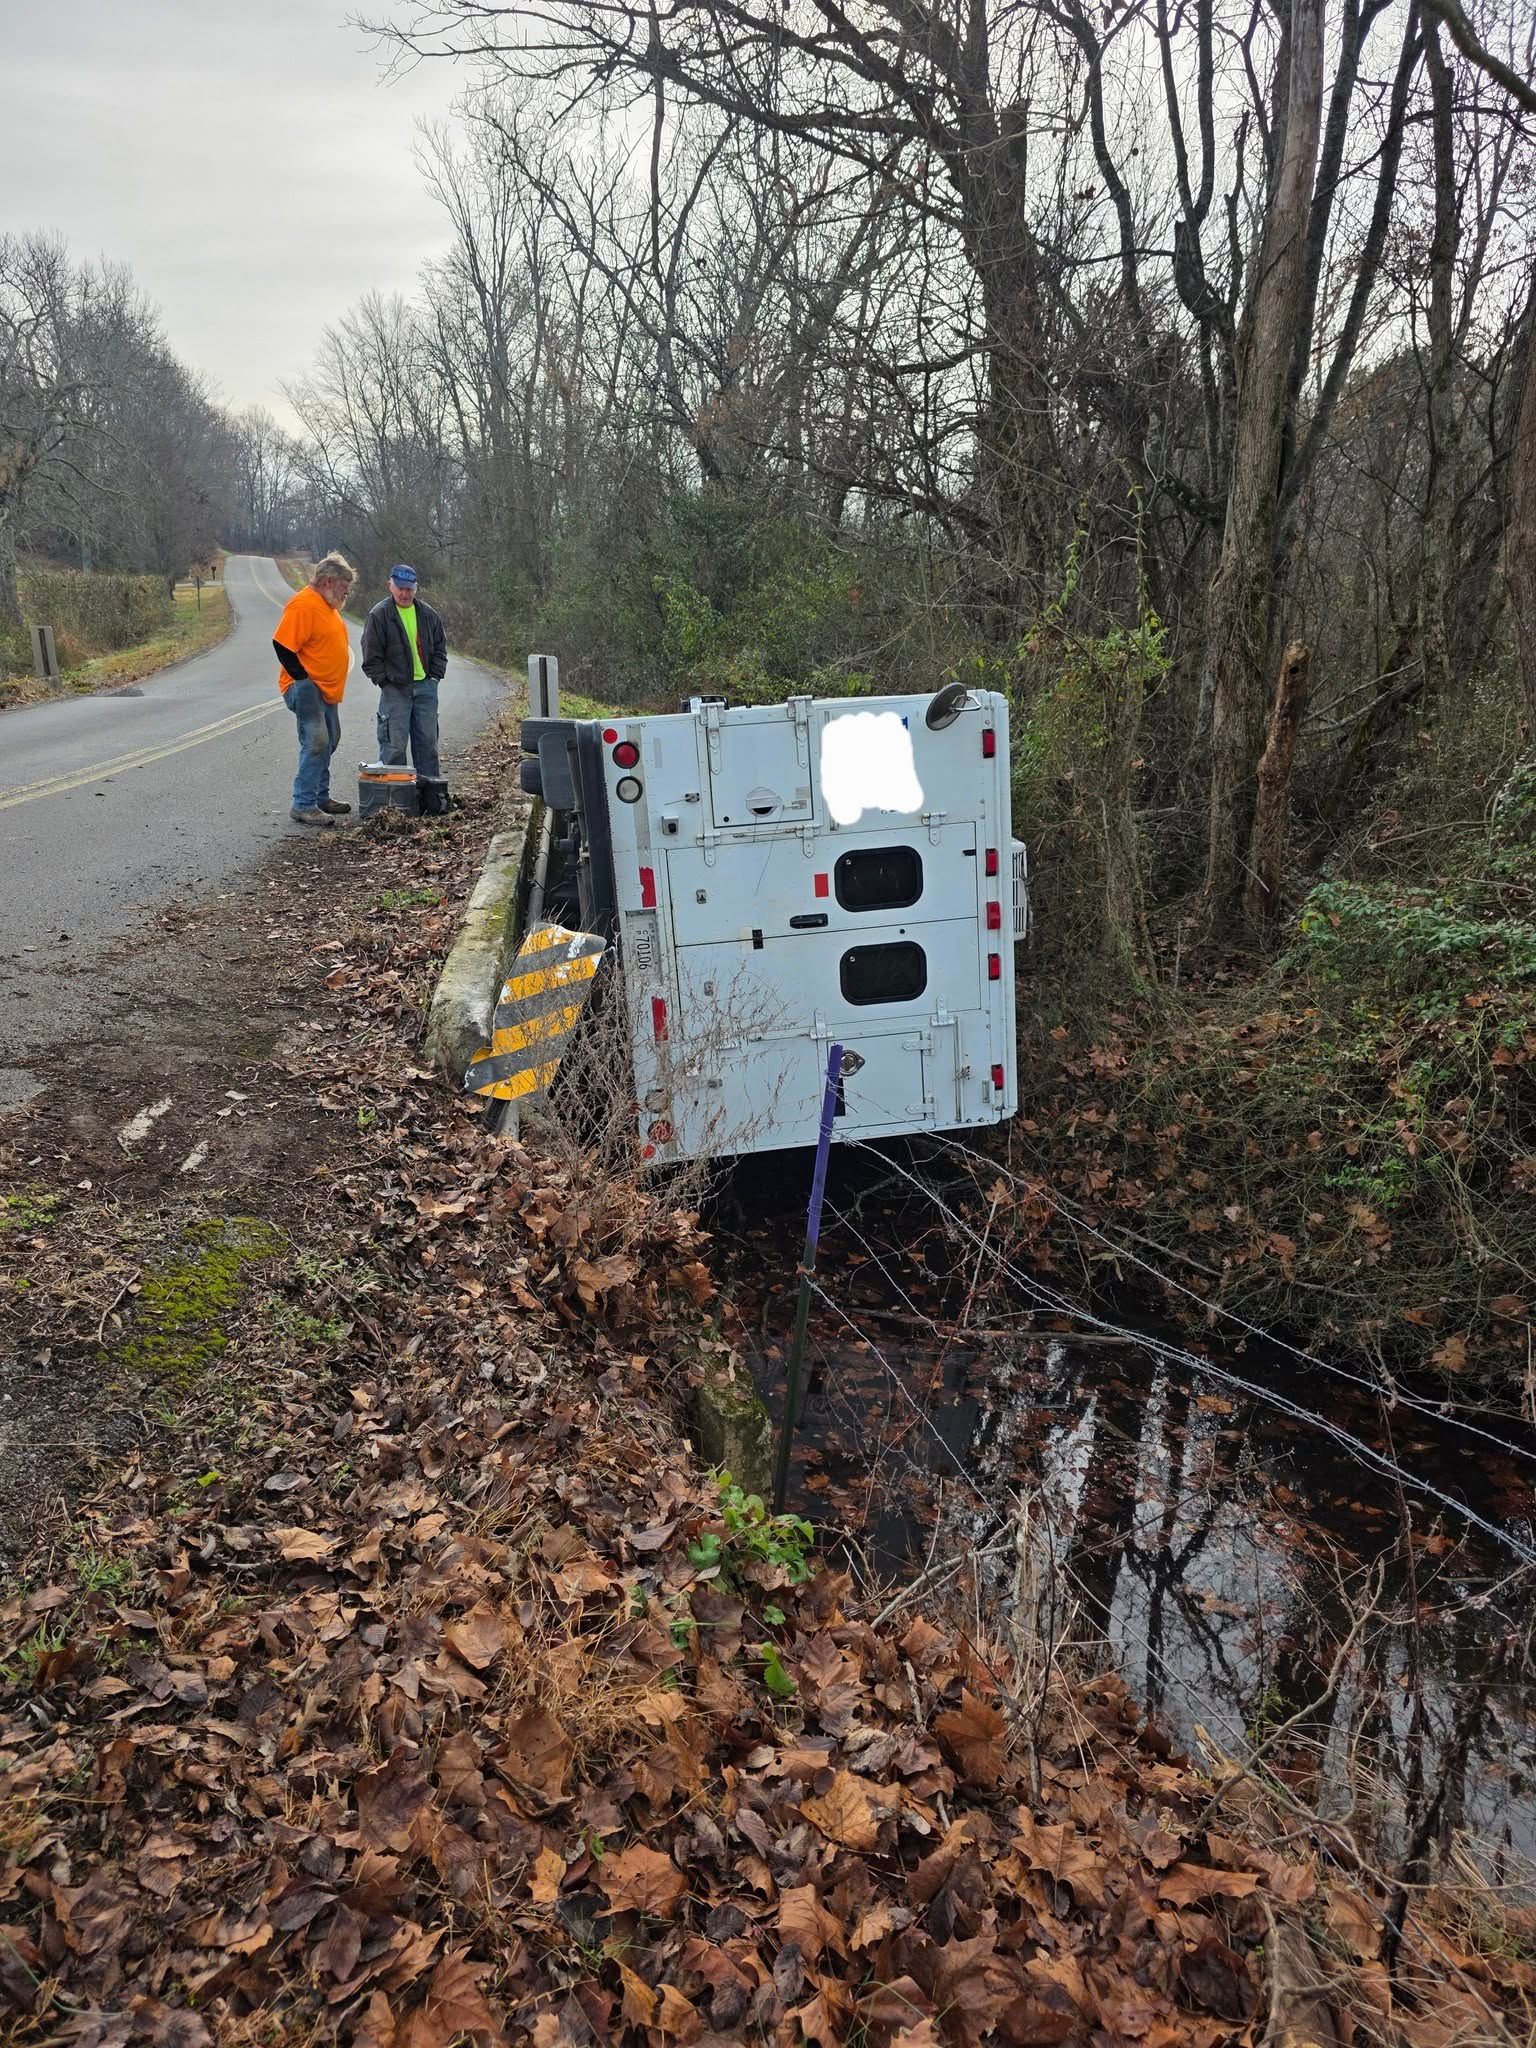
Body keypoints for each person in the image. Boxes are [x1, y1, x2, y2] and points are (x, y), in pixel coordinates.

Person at [274, 552, 357, 827]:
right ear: (328, 581)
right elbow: (283, 646)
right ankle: (303, 804)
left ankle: (321, 797)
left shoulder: (327, 605)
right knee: (317, 742)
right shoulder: (303, 605)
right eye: (344, 586)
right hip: (307, 688)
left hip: (326, 690)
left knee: (330, 740)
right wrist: (304, 681)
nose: (347, 592)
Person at [361, 564, 447, 785]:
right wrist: (385, 683)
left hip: (426, 688)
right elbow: (371, 656)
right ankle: (396, 804)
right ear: (390, 585)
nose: (404, 593)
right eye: (400, 588)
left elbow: (440, 648)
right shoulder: (379, 615)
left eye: (409, 589)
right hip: (395, 690)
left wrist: (434, 678)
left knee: (427, 745)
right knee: (394, 747)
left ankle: (429, 798)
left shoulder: (429, 615)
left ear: (416, 588)